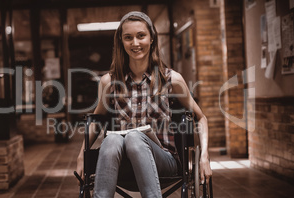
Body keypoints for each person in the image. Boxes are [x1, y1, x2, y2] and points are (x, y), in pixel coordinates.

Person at [75, 11, 212, 197]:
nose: (135, 43)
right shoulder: (109, 82)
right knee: (112, 139)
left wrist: (204, 157)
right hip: (124, 163)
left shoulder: (171, 79)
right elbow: (97, 120)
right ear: (121, 43)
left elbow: (201, 118)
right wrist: (82, 155)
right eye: (128, 38)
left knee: (134, 137)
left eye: (141, 36)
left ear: (152, 39)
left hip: (164, 160)